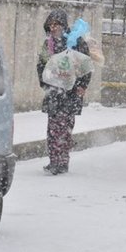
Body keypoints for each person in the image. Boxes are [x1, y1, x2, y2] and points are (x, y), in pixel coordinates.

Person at [37, 9, 91, 175]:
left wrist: (82, 85)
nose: (54, 28)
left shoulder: (75, 42)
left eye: (57, 24)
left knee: (64, 127)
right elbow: (41, 65)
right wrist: (46, 82)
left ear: (63, 25)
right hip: (54, 92)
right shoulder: (49, 44)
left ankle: (62, 161)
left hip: (70, 93)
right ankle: (54, 160)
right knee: (52, 128)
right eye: (51, 25)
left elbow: (85, 66)